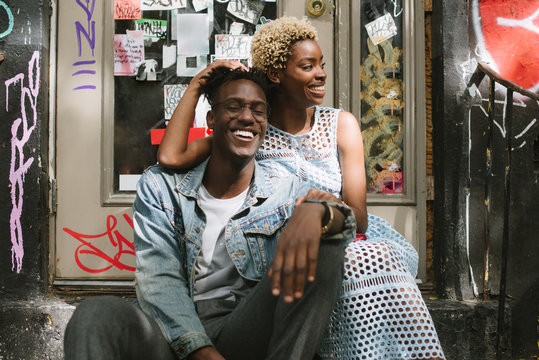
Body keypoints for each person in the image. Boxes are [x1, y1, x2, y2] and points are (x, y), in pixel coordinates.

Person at [158, 16, 445, 360]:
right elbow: (171, 156)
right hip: (276, 249)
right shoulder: (252, 131)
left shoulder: (341, 124)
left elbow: (360, 218)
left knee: (372, 257)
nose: (321, 74)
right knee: (345, 260)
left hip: (343, 233)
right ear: (277, 74)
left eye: (321, 64)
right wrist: (198, 83)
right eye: (308, 66)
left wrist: (317, 214)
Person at [64, 67, 357, 360]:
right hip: (173, 334)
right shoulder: (161, 187)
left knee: (324, 243)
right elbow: (160, 281)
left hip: (242, 327)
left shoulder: (284, 187)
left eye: (258, 110)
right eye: (233, 106)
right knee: (94, 313)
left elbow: (345, 223)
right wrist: (200, 351)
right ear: (211, 119)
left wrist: (320, 213)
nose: (247, 117)